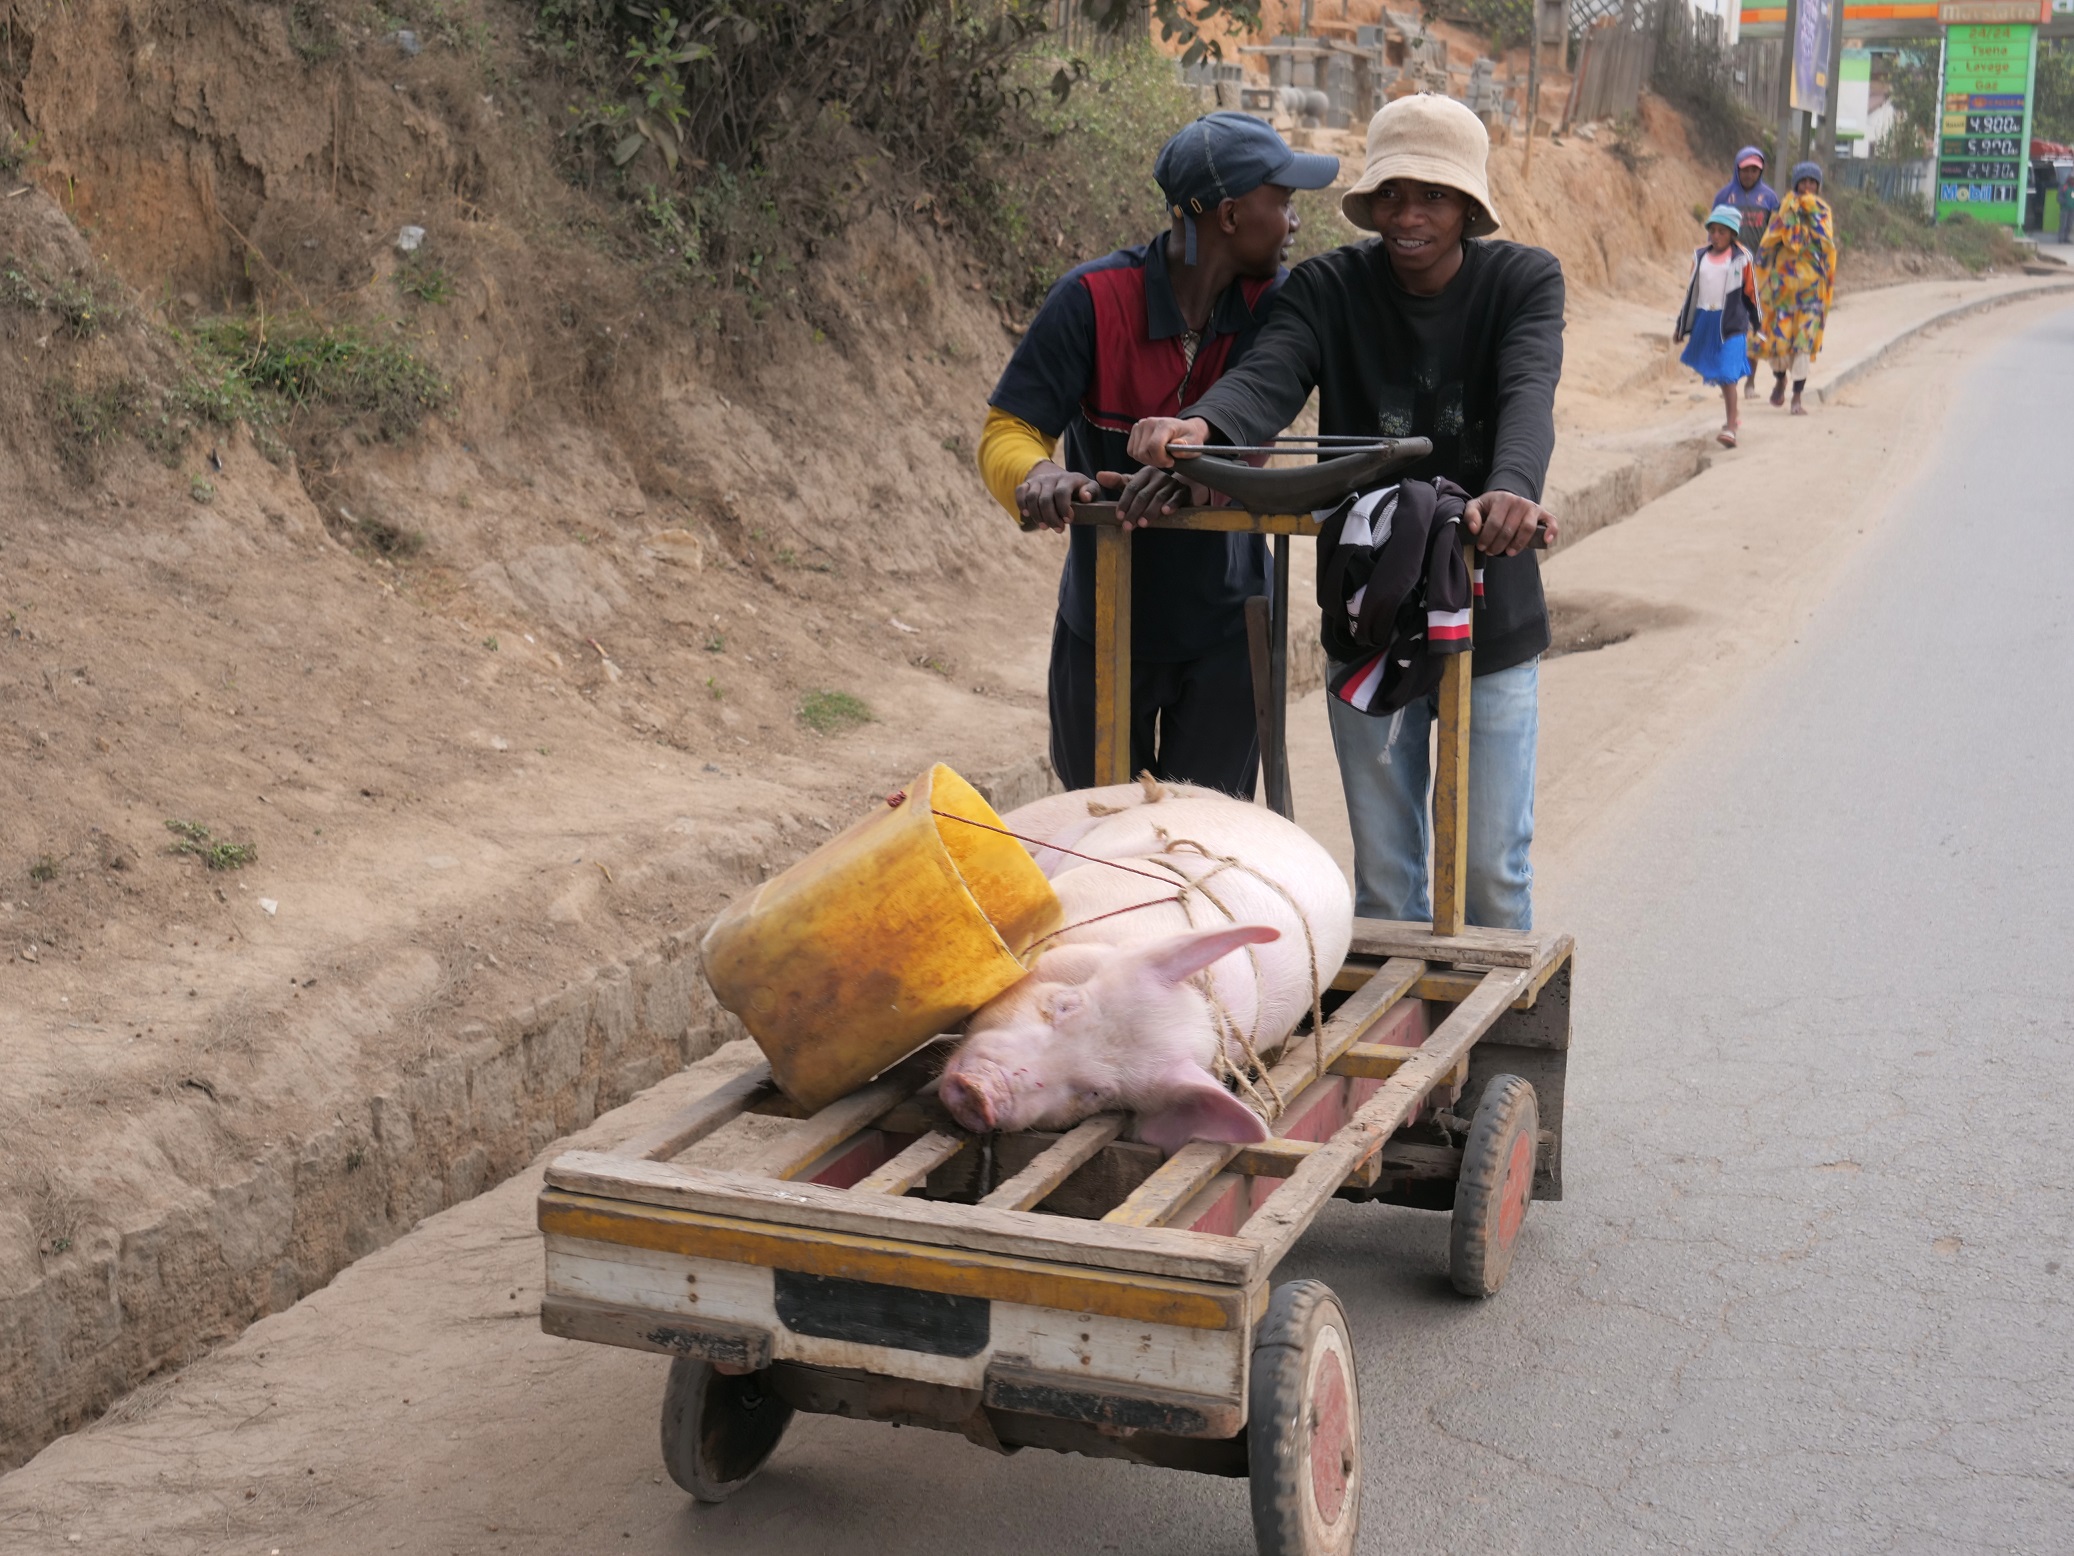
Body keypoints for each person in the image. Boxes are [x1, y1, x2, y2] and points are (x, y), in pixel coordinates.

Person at [1127, 94, 1563, 932]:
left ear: (1468, 207)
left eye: (1432, 196)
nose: (1408, 216)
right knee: (1388, 886)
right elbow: (1269, 375)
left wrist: (1511, 488)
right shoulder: (1327, 288)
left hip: (1490, 610)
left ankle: (1490, 1021)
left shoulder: (1522, 282)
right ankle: (1407, 1025)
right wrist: (1203, 427)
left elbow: (1527, 391)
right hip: (1369, 613)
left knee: (1492, 876)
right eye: (1391, 194)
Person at [976, 113, 1338, 795]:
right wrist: (1039, 474)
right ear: (1230, 215)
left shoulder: (1280, 309)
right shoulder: (1091, 300)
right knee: (1101, 832)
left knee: (1204, 837)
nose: (1294, 221)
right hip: (1103, 619)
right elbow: (1008, 430)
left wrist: (1196, 469)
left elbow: (1262, 411)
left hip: (1231, 627)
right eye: (1284, 200)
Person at [1676, 204, 1761, 448]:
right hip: (1707, 320)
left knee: (1727, 372)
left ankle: (1731, 427)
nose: (1716, 236)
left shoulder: (1742, 258)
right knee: (1722, 374)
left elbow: (1752, 292)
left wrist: (1758, 323)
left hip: (1733, 321)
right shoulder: (1700, 257)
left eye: (1722, 232)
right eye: (1712, 231)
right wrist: (1681, 326)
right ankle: (1733, 416)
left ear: (1733, 233)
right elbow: (1691, 293)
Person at [1757, 162, 1838, 416]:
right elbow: (1770, 240)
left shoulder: (1822, 211)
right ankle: (1780, 379)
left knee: (1803, 343)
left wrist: (1809, 212)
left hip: (1812, 290)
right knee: (1778, 343)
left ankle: (1797, 397)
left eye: (1812, 183)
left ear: (1818, 186)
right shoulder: (1784, 209)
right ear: (1796, 184)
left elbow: (1827, 242)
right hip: (1782, 288)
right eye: (1803, 182)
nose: (1807, 187)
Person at [1713, 147, 1779, 391]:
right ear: (1737, 169)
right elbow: (1714, 232)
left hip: (1760, 271)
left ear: (1761, 171)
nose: (1749, 174)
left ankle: (1750, 380)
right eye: (1745, 170)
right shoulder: (1724, 197)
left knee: (1754, 325)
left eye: (1754, 170)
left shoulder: (1770, 199)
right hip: (1729, 268)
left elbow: (1777, 234)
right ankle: (1729, 379)